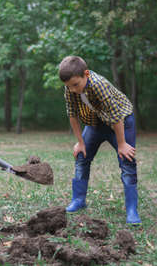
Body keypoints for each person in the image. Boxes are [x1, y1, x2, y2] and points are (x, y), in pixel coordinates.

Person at [58, 56, 141, 225]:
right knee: (82, 156)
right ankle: (78, 200)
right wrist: (80, 142)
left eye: (75, 85)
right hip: (95, 124)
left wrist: (122, 144)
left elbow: (115, 116)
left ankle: (132, 209)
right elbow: (72, 115)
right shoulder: (70, 88)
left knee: (127, 161)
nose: (73, 90)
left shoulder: (99, 85)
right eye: (68, 86)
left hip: (121, 122)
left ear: (86, 74)